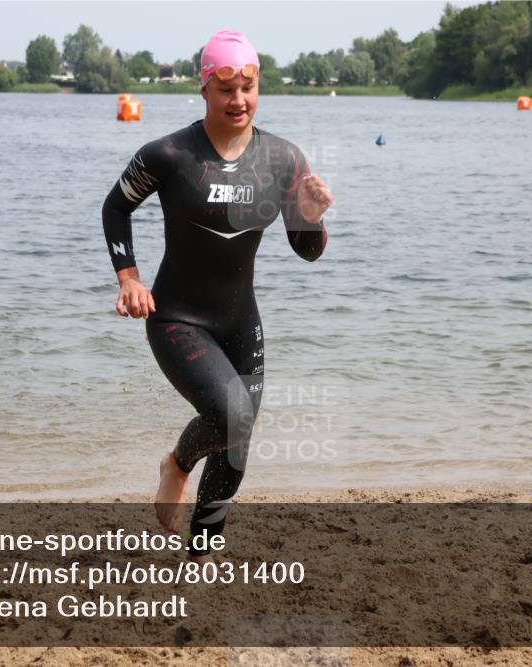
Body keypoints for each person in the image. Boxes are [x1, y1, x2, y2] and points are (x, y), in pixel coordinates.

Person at [101, 30, 333, 559]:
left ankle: (200, 552)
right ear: (204, 89)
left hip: (239, 320)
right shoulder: (168, 155)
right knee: (233, 418)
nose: (239, 101)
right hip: (177, 319)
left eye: (249, 88)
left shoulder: (282, 159)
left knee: (238, 438)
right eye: (226, 90)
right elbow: (116, 207)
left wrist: (313, 218)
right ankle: (178, 465)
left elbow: (307, 250)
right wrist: (128, 278)